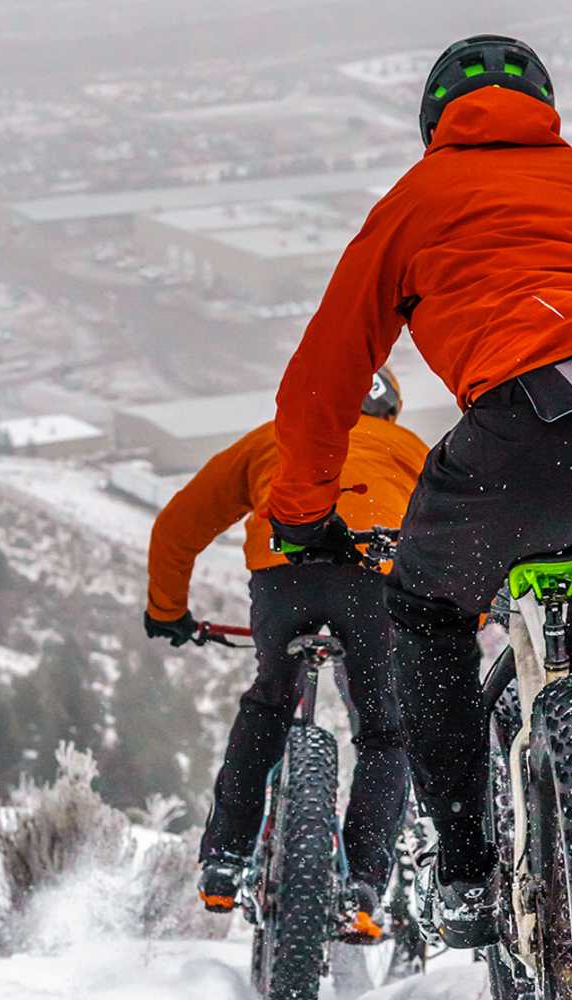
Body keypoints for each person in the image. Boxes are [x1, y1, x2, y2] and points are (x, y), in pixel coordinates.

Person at [263, 35, 572, 997]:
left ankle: (462, 870)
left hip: (530, 435)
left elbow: (321, 383)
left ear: (433, 121)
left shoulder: (416, 202)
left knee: (425, 613)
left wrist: (299, 517)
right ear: (544, 106)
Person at [143, 368, 428, 935]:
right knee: (383, 731)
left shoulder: (271, 438)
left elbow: (178, 525)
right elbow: (458, 526)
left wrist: (167, 609)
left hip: (284, 574)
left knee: (270, 703)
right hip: (373, 578)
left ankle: (224, 862)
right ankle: (363, 884)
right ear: (390, 410)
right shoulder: (405, 446)